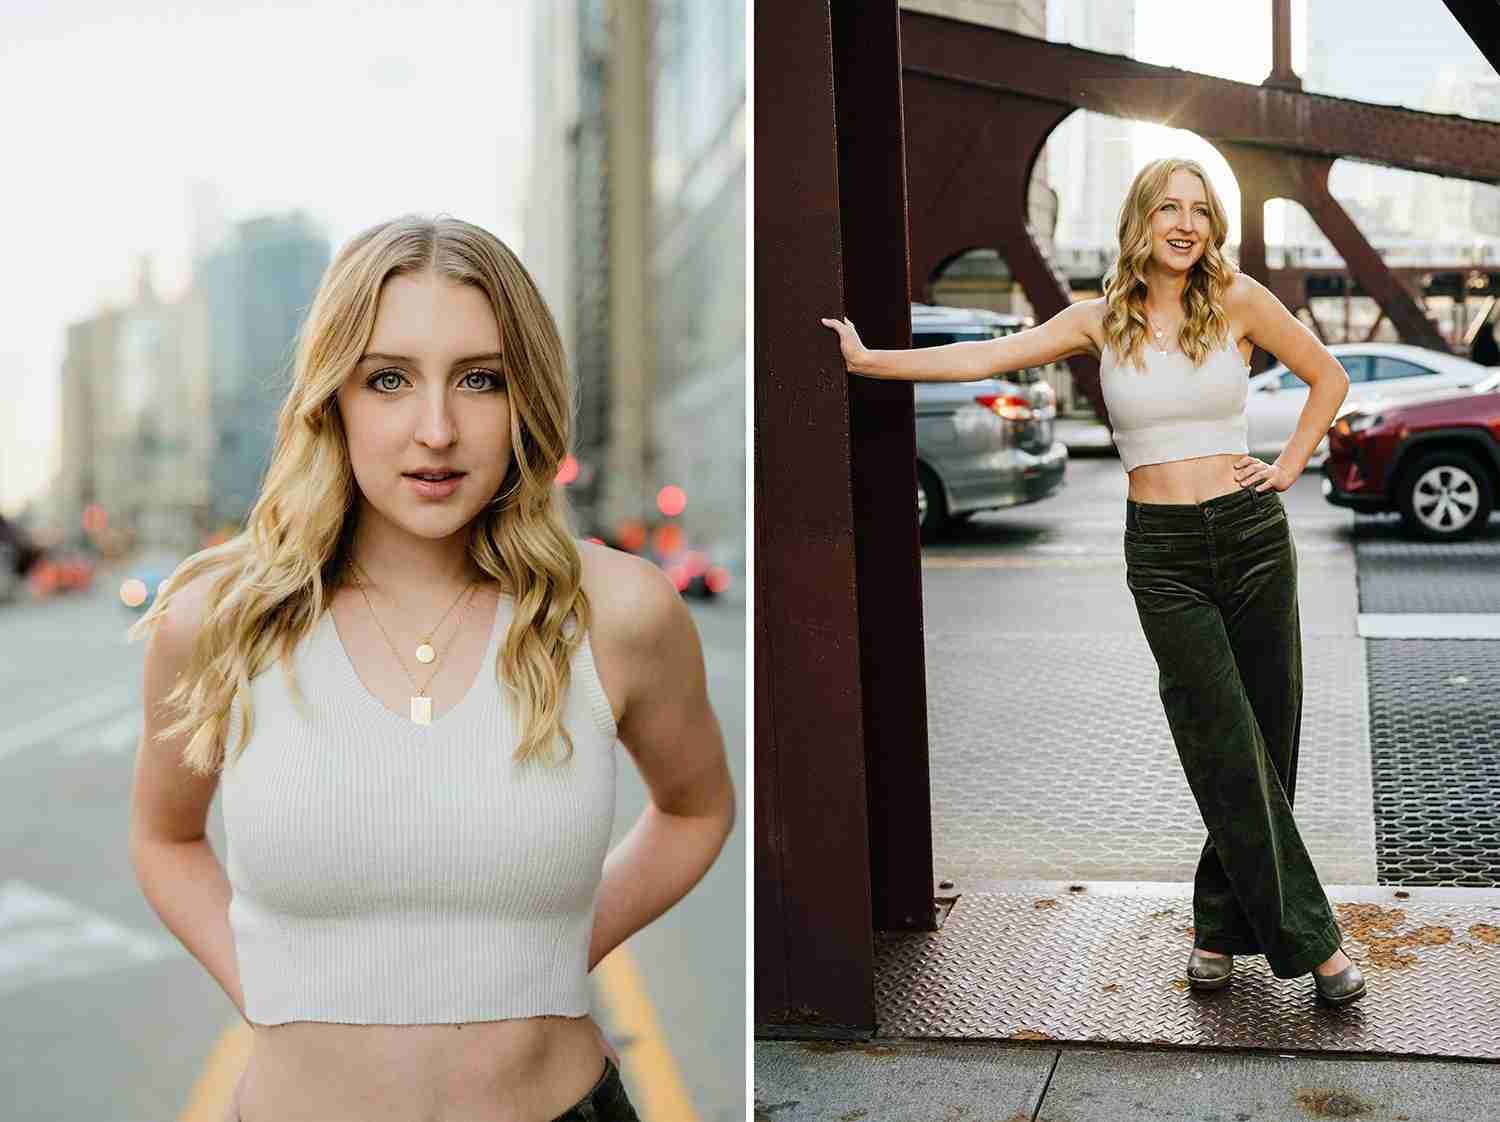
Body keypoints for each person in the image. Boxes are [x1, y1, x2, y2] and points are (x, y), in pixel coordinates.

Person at [127, 214, 736, 1121]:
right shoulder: (221, 619)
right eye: (389, 380)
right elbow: (165, 837)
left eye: (480, 380)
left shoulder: (619, 611)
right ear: (333, 396)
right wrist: (267, 984)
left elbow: (697, 809)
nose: (437, 429)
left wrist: (558, 949)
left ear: (524, 397)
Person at [820, 157, 1366, 1007]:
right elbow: (989, 353)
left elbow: (1327, 376)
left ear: (1211, 226)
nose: (1184, 224)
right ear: (1140, 223)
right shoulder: (1096, 321)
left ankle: (1218, 930)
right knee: (1220, 739)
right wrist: (868, 363)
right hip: (1165, 554)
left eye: (1198, 210)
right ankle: (1316, 942)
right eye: (1167, 209)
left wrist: (1291, 466)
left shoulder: (1243, 301)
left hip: (1254, 536)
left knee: (1266, 741)